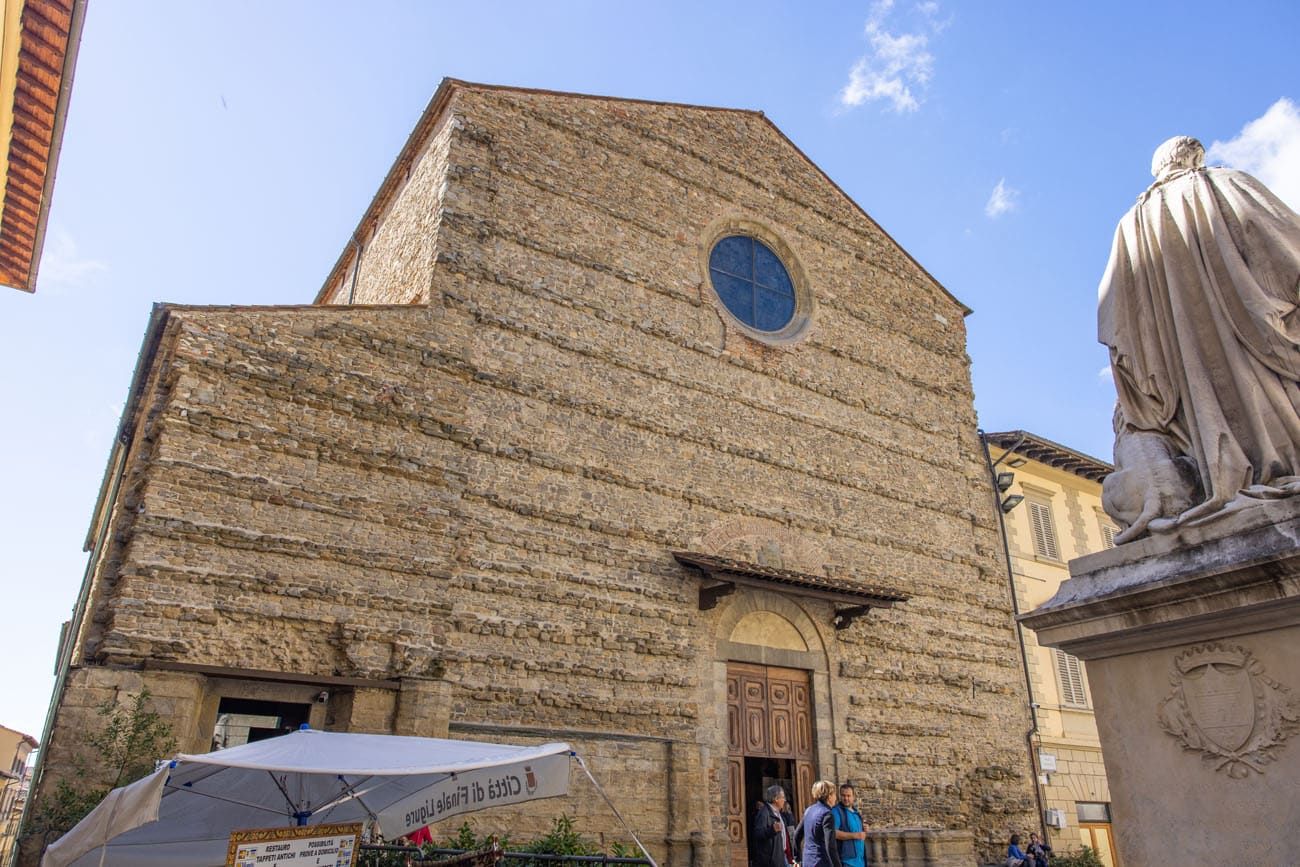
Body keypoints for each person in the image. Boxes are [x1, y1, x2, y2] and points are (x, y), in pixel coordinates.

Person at [1098, 135, 1300, 541]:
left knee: (1206, 409)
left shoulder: (1131, 227)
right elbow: (1282, 244)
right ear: (1195, 157)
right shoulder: (1223, 185)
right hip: (1250, 339)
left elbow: (1117, 321)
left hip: (1180, 366)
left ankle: (1221, 477)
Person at [795, 780, 843, 867]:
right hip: (821, 861)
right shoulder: (827, 814)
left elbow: (797, 835)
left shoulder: (809, 810)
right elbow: (830, 845)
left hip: (807, 861)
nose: (836, 798)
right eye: (834, 794)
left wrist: (797, 857)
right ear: (829, 796)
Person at [750, 785, 796, 867]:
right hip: (771, 861)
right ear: (776, 799)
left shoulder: (779, 814)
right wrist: (771, 830)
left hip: (782, 856)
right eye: (783, 797)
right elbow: (758, 834)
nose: (784, 800)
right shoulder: (764, 813)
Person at [832, 783, 868, 867]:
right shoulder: (836, 811)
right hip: (847, 861)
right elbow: (834, 833)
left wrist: (864, 829)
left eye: (848, 796)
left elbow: (860, 833)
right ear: (839, 796)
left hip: (861, 861)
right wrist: (855, 835)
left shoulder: (856, 813)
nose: (846, 798)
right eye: (843, 795)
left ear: (853, 797)